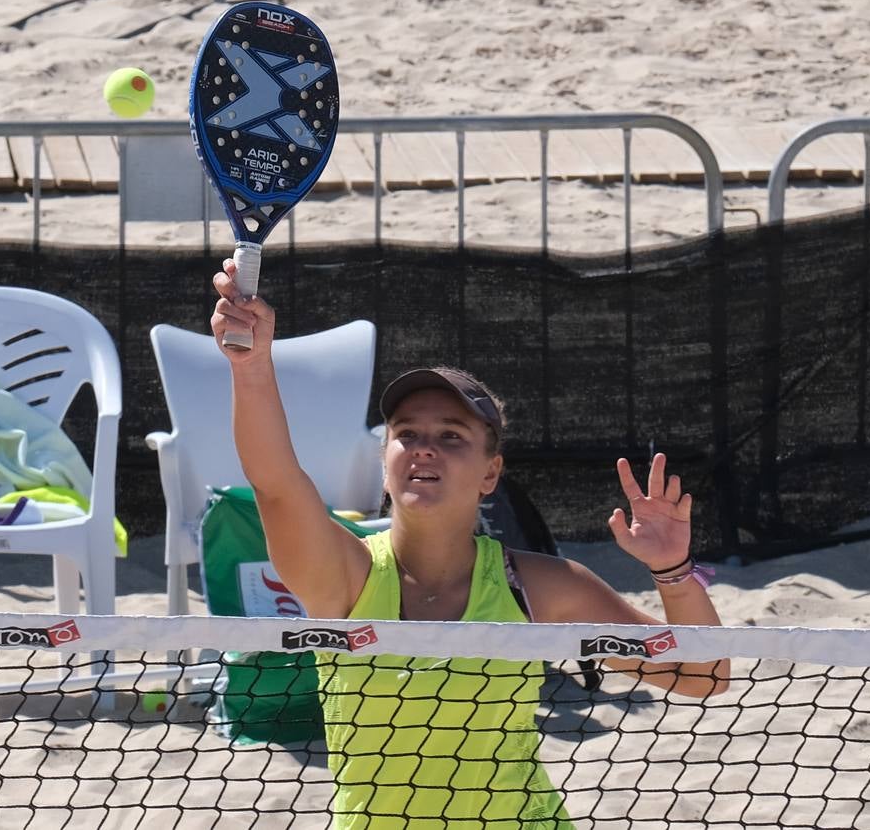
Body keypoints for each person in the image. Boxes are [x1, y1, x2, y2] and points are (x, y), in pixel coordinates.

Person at [210, 260, 728, 828]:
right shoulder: (347, 576)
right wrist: (252, 365)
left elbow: (700, 674)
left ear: (490, 472)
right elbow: (276, 481)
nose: (424, 448)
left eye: (451, 436)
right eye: (406, 434)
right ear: (385, 464)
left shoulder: (539, 586)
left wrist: (673, 570)